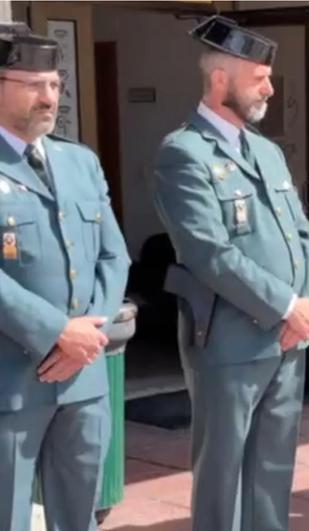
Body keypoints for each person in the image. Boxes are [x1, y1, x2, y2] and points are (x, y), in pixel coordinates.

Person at [151, 16, 309, 531]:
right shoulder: (183, 153)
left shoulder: (267, 152)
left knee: (272, 471)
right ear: (221, 79)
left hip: (289, 340)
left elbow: (305, 235)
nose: (270, 87)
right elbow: (210, 253)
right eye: (259, 77)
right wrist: (286, 306)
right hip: (229, 341)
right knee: (223, 473)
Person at [0, 26, 130, 531]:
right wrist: (57, 331)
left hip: (83, 377)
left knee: (80, 518)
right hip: (11, 380)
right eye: (33, 84)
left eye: (55, 85)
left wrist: (88, 334)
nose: (49, 97)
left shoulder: (79, 161)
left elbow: (113, 255)